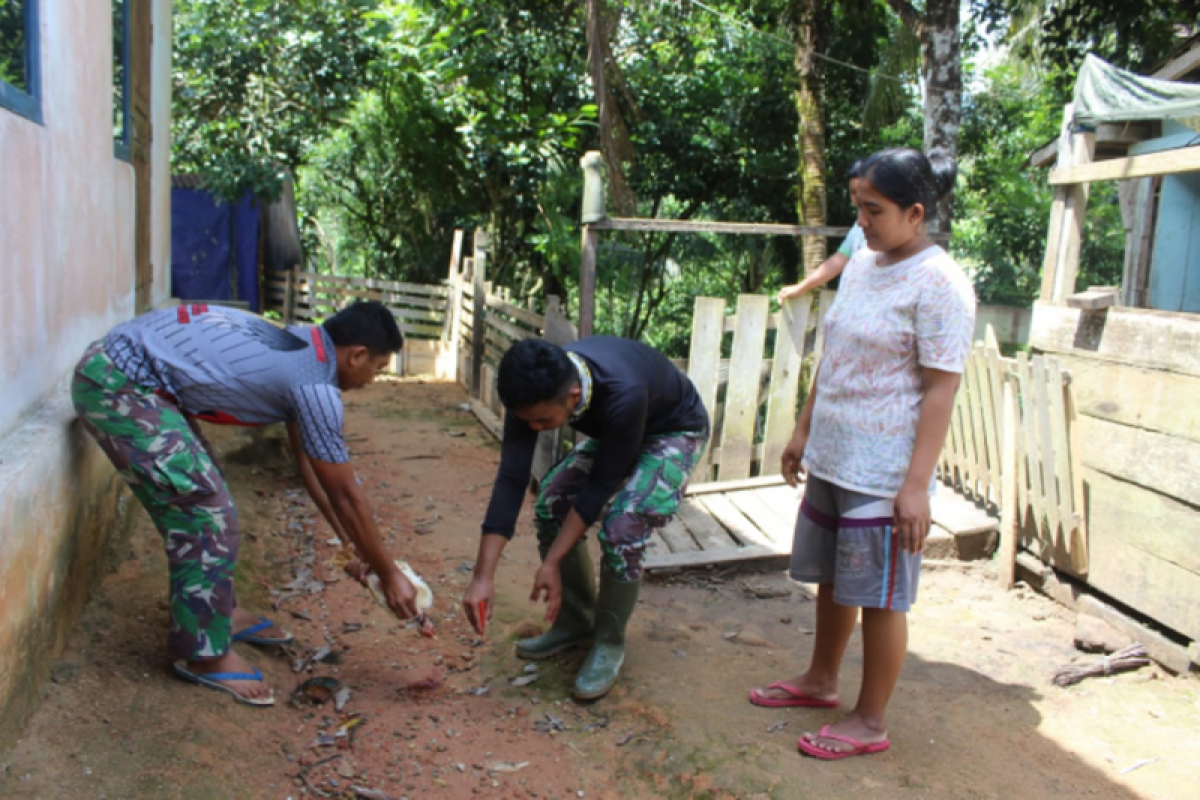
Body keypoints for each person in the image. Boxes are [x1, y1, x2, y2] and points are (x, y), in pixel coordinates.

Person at [72, 301, 423, 707]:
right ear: (357, 354)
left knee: (207, 490)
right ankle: (202, 655)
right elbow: (345, 494)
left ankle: (220, 613)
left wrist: (355, 550)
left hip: (132, 373)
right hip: (117, 383)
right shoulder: (315, 386)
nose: (372, 380)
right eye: (376, 369)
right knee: (207, 512)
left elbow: (310, 468)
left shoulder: (305, 345)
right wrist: (388, 571)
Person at [749, 147, 974, 759]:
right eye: (858, 208)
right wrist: (804, 429)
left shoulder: (942, 285)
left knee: (878, 594)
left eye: (873, 210)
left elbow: (940, 387)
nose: (863, 223)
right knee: (833, 579)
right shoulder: (867, 265)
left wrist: (916, 486)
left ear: (916, 212)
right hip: (835, 452)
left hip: (885, 467)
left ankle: (870, 719)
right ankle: (821, 681)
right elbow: (837, 353)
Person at [461, 337, 709, 699]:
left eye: (544, 420)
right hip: (619, 433)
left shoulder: (624, 392)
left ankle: (609, 641)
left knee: (623, 526)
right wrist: (482, 578)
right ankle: (575, 621)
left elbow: (597, 491)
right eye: (526, 421)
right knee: (551, 501)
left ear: (574, 396)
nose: (535, 428)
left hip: (673, 430)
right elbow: (512, 479)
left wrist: (552, 561)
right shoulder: (530, 394)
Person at [777, 160, 866, 303]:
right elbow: (839, 260)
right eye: (853, 193)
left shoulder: (891, 227)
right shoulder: (858, 227)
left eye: (862, 192)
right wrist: (802, 287)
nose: (857, 198)